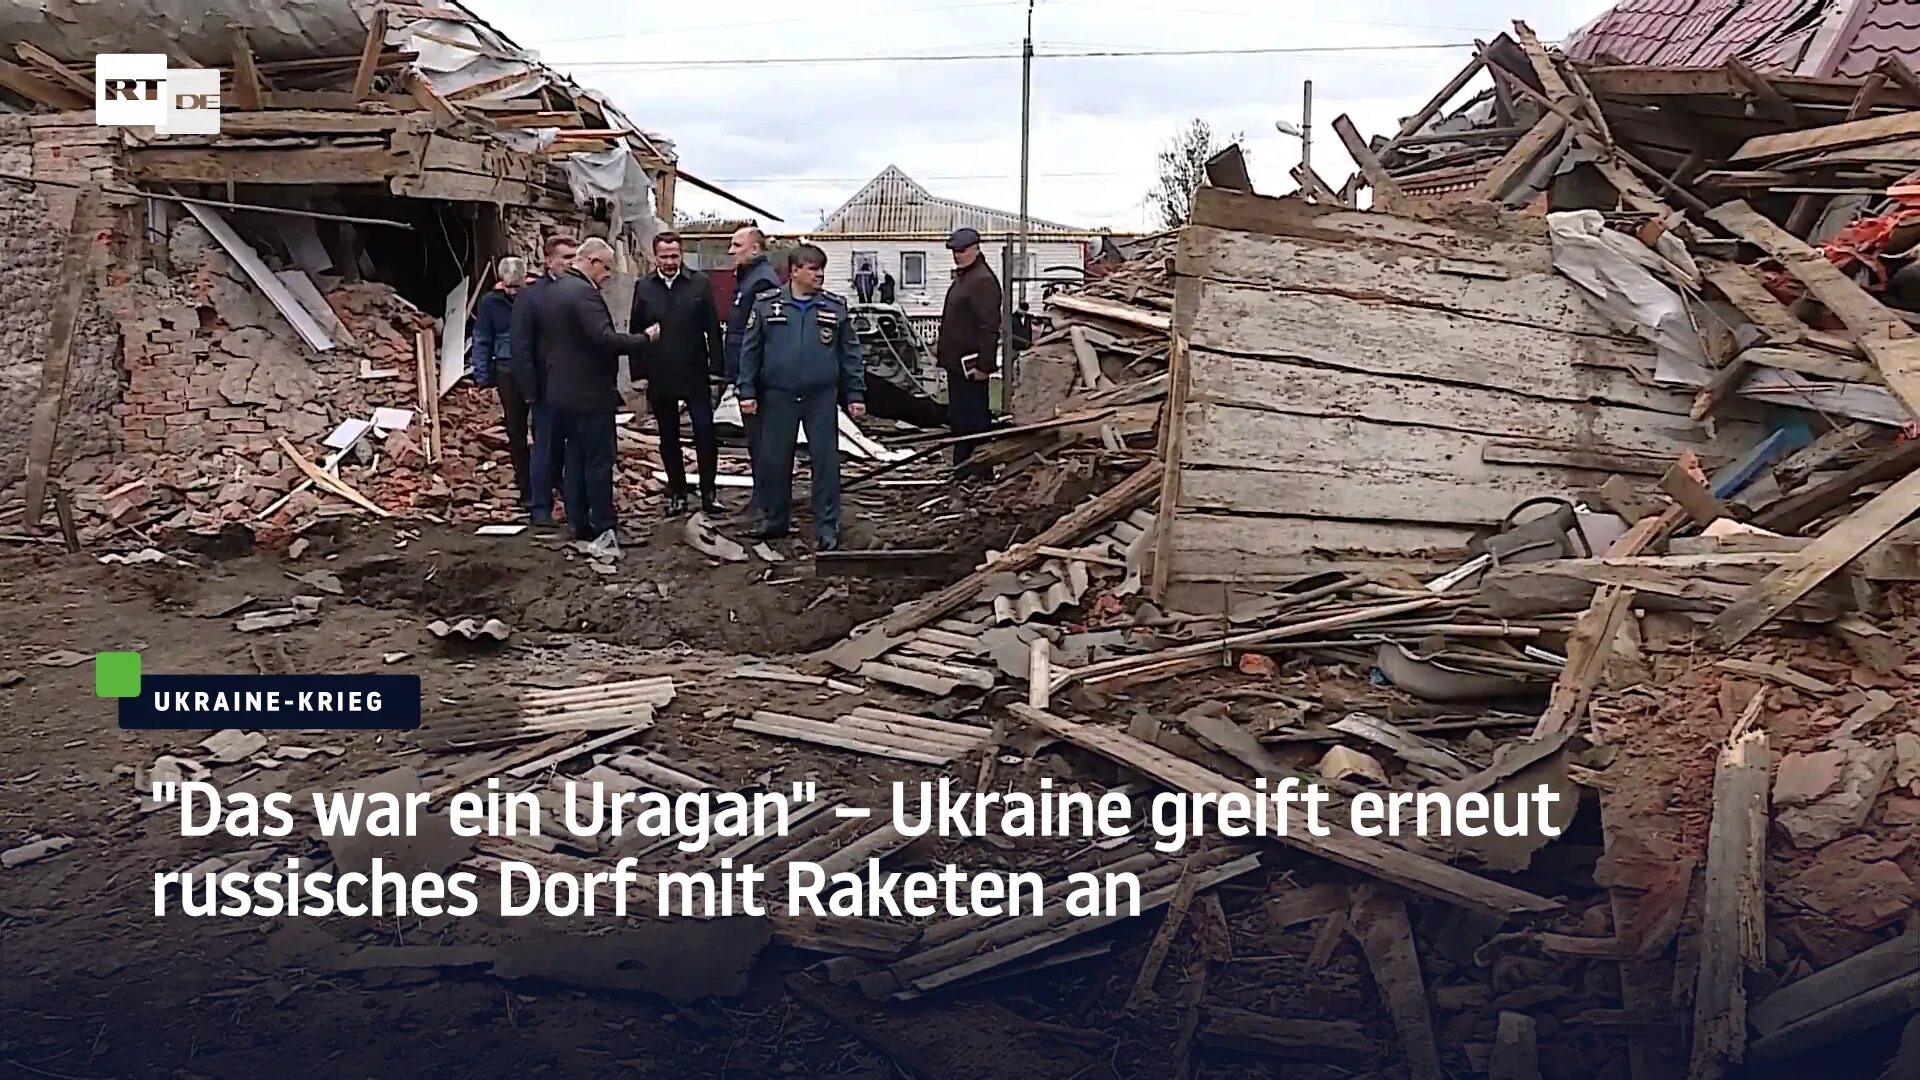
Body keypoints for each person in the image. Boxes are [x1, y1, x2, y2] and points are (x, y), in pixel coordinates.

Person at [737, 244, 865, 551]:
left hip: (820, 396)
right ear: (794, 271)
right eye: (811, 268)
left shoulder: (834, 307)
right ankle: (775, 519)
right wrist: (747, 390)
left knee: (825, 461)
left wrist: (855, 393)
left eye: (821, 268)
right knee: (775, 461)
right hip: (778, 395)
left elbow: (850, 353)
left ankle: (827, 526)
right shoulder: (768, 305)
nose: (818, 274)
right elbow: (750, 351)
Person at [534, 237, 651, 549]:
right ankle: (604, 525)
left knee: (575, 458)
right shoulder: (583, 294)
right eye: (606, 267)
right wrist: (643, 339)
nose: (608, 275)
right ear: (591, 261)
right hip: (589, 393)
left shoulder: (554, 291)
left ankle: (579, 521)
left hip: (561, 390)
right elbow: (604, 339)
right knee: (598, 460)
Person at [629, 231, 727, 515]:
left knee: (705, 433)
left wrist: (716, 370)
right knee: (668, 436)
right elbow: (636, 330)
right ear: (655, 256)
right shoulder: (644, 287)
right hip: (661, 372)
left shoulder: (699, 283)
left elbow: (713, 328)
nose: (670, 261)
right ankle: (678, 493)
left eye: (674, 255)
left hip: (695, 370)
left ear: (681, 254)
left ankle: (709, 493)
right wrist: (639, 373)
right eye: (664, 256)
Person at [509, 235, 578, 528]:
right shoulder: (531, 296)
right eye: (565, 257)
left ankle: (574, 503)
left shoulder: (579, 291)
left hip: (577, 385)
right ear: (549, 260)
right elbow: (521, 345)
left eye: (575, 257)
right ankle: (540, 507)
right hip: (545, 386)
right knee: (545, 447)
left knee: (573, 448)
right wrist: (529, 388)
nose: (571, 263)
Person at [723, 227, 783, 524]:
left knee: (763, 443)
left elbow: (757, 338)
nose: (731, 251)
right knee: (755, 442)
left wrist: (749, 382)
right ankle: (762, 499)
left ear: (755, 249)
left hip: (759, 378)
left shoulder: (762, 283)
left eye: (737, 245)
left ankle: (768, 505)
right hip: (746, 374)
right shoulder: (748, 278)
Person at [936, 227, 1001, 470]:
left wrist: (985, 365)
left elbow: (989, 326)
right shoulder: (967, 277)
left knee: (972, 423)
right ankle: (963, 470)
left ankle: (974, 470)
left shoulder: (982, 280)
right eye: (954, 251)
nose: (957, 255)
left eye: (962, 250)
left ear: (976, 248)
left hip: (971, 367)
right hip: (958, 364)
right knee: (961, 422)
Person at [471, 256, 532, 510]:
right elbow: (482, 339)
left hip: (536, 369)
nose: (512, 292)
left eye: (517, 287)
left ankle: (550, 483)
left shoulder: (534, 297)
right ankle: (525, 488)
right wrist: (483, 377)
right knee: (516, 430)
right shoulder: (490, 304)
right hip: (507, 370)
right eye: (508, 287)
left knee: (544, 430)